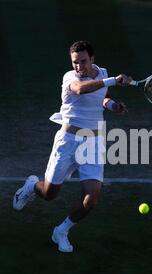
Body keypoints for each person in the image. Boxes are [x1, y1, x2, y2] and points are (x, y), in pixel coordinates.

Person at [12, 41, 132, 253]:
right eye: (75, 62)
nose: (79, 66)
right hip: (67, 141)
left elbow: (102, 98)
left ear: (92, 59)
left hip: (93, 143)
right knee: (49, 194)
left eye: (83, 61)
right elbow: (80, 90)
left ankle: (61, 231)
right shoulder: (70, 78)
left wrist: (113, 106)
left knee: (92, 198)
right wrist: (113, 80)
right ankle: (32, 186)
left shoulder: (101, 73)